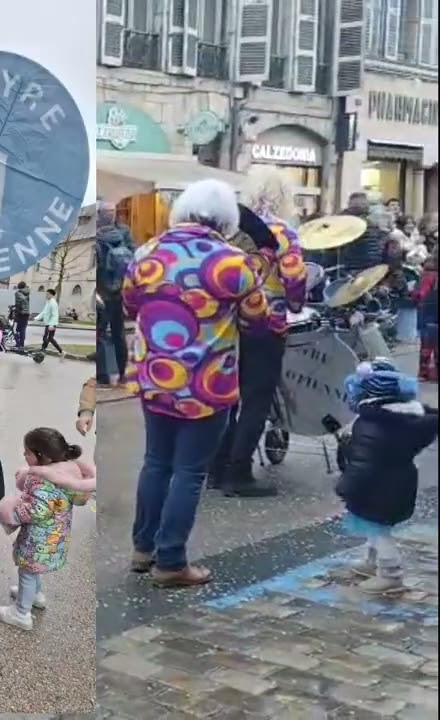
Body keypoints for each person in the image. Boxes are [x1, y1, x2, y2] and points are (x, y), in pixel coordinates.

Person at [122, 179, 263, 587]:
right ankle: (171, 562)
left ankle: (142, 548)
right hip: (206, 385)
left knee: (155, 463)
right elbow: (258, 318)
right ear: (225, 220)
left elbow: (132, 304)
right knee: (188, 472)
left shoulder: (146, 253)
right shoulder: (232, 262)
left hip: (155, 377)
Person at [211, 166, 306, 497]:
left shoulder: (232, 229)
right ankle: (239, 473)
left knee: (226, 396)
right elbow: (294, 277)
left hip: (225, 322)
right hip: (266, 323)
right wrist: (295, 305)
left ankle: (216, 467)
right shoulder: (283, 232)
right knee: (257, 396)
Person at [337, 359, 437, 594]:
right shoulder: (408, 420)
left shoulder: (372, 425)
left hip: (376, 488)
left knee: (379, 532)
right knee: (375, 528)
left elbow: (363, 463)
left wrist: (345, 486)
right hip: (399, 482)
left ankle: (390, 574)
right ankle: (371, 563)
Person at [0, 427, 95, 630]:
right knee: (34, 569)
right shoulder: (70, 473)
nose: (24, 454)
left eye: (28, 452)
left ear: (43, 456)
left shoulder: (41, 479)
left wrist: (14, 511)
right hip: (56, 536)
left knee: (27, 572)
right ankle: (36, 595)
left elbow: (39, 510)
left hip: (37, 539)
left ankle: (21, 613)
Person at [95, 201, 134, 384]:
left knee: (101, 332)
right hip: (119, 289)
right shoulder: (123, 233)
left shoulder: (98, 236)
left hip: (102, 290)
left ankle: (102, 376)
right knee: (118, 333)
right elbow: (133, 258)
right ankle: (123, 373)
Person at [415, 254, 438, 382]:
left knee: (426, 343)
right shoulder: (430, 275)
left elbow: (420, 294)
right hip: (432, 311)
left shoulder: (426, 275)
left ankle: (423, 372)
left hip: (428, 312)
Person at [35, 288, 63, 354]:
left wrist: (51, 325)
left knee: (48, 338)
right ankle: (43, 350)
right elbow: (44, 312)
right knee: (48, 338)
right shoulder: (48, 302)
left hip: (51, 324)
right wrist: (37, 318)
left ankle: (43, 351)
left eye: (47, 294)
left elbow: (55, 315)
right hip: (48, 324)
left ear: (51, 295)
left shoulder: (53, 303)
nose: (46, 296)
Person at [11, 280, 31, 349]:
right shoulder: (27, 293)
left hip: (20, 313)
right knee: (23, 329)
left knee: (15, 329)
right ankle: (21, 344)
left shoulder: (17, 293)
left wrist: (15, 309)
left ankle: (18, 344)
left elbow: (19, 303)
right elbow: (25, 303)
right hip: (26, 314)